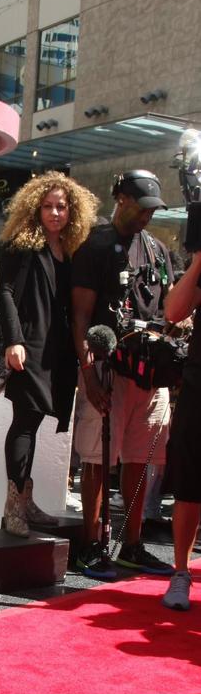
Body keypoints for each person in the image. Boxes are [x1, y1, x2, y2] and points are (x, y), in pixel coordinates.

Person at [72, 170, 176, 579]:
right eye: (140, 206)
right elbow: (80, 317)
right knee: (98, 459)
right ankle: (91, 544)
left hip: (150, 375)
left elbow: (167, 310)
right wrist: (89, 375)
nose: (146, 216)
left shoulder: (157, 251)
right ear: (120, 198)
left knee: (141, 457)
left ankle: (132, 545)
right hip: (106, 367)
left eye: (152, 209)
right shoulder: (95, 247)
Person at [0, 171, 99, 537]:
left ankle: (24, 499)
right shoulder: (23, 245)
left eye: (61, 206)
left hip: (57, 352)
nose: (55, 213)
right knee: (25, 421)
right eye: (48, 206)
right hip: (30, 346)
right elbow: (4, 292)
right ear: (34, 208)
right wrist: (14, 340)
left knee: (35, 422)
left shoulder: (70, 251)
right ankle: (14, 506)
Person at [160, 248, 201, 610]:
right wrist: (200, 261)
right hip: (199, 385)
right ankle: (181, 573)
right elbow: (173, 311)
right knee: (189, 485)